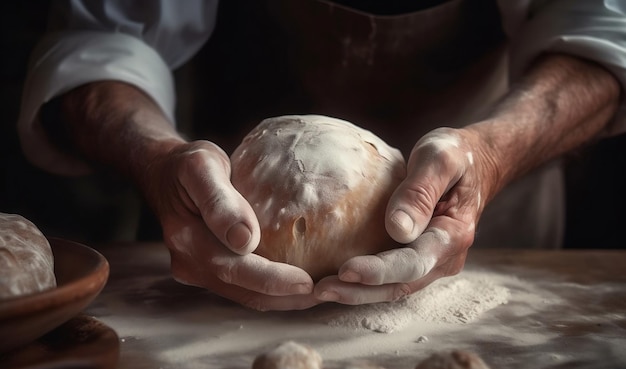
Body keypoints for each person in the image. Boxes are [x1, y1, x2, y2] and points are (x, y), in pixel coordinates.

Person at [17, 0, 625, 311]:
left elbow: (605, 23)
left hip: (494, 208)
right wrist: (156, 160)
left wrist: (490, 154)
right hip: (221, 227)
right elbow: (102, 40)